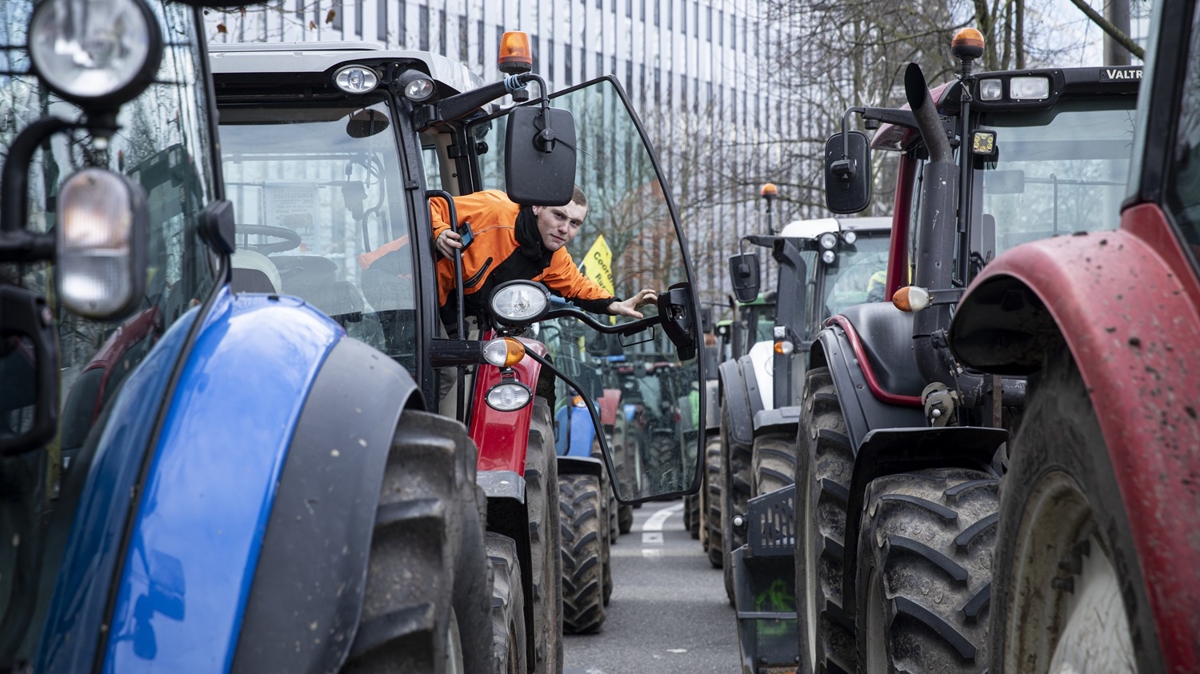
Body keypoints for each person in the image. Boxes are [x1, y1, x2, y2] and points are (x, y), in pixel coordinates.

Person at [361, 186, 656, 334]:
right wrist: (439, 233)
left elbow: (578, 287)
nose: (565, 229)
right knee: (441, 374)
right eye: (559, 216)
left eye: (575, 223)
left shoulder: (553, 257)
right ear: (537, 206)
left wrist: (615, 304)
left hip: (443, 304)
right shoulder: (495, 210)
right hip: (394, 278)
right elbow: (430, 204)